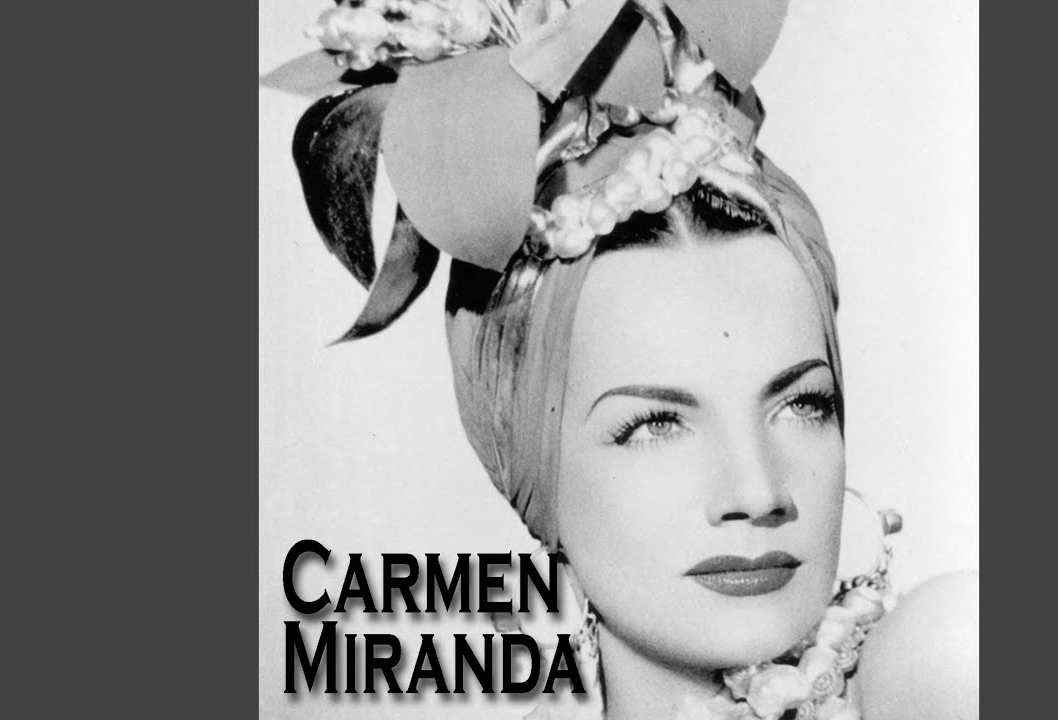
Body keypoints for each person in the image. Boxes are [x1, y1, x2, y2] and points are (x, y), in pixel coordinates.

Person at [263, 1, 977, 718]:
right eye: (657, 425)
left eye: (802, 406)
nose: (759, 492)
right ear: (531, 469)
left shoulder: (943, 662)